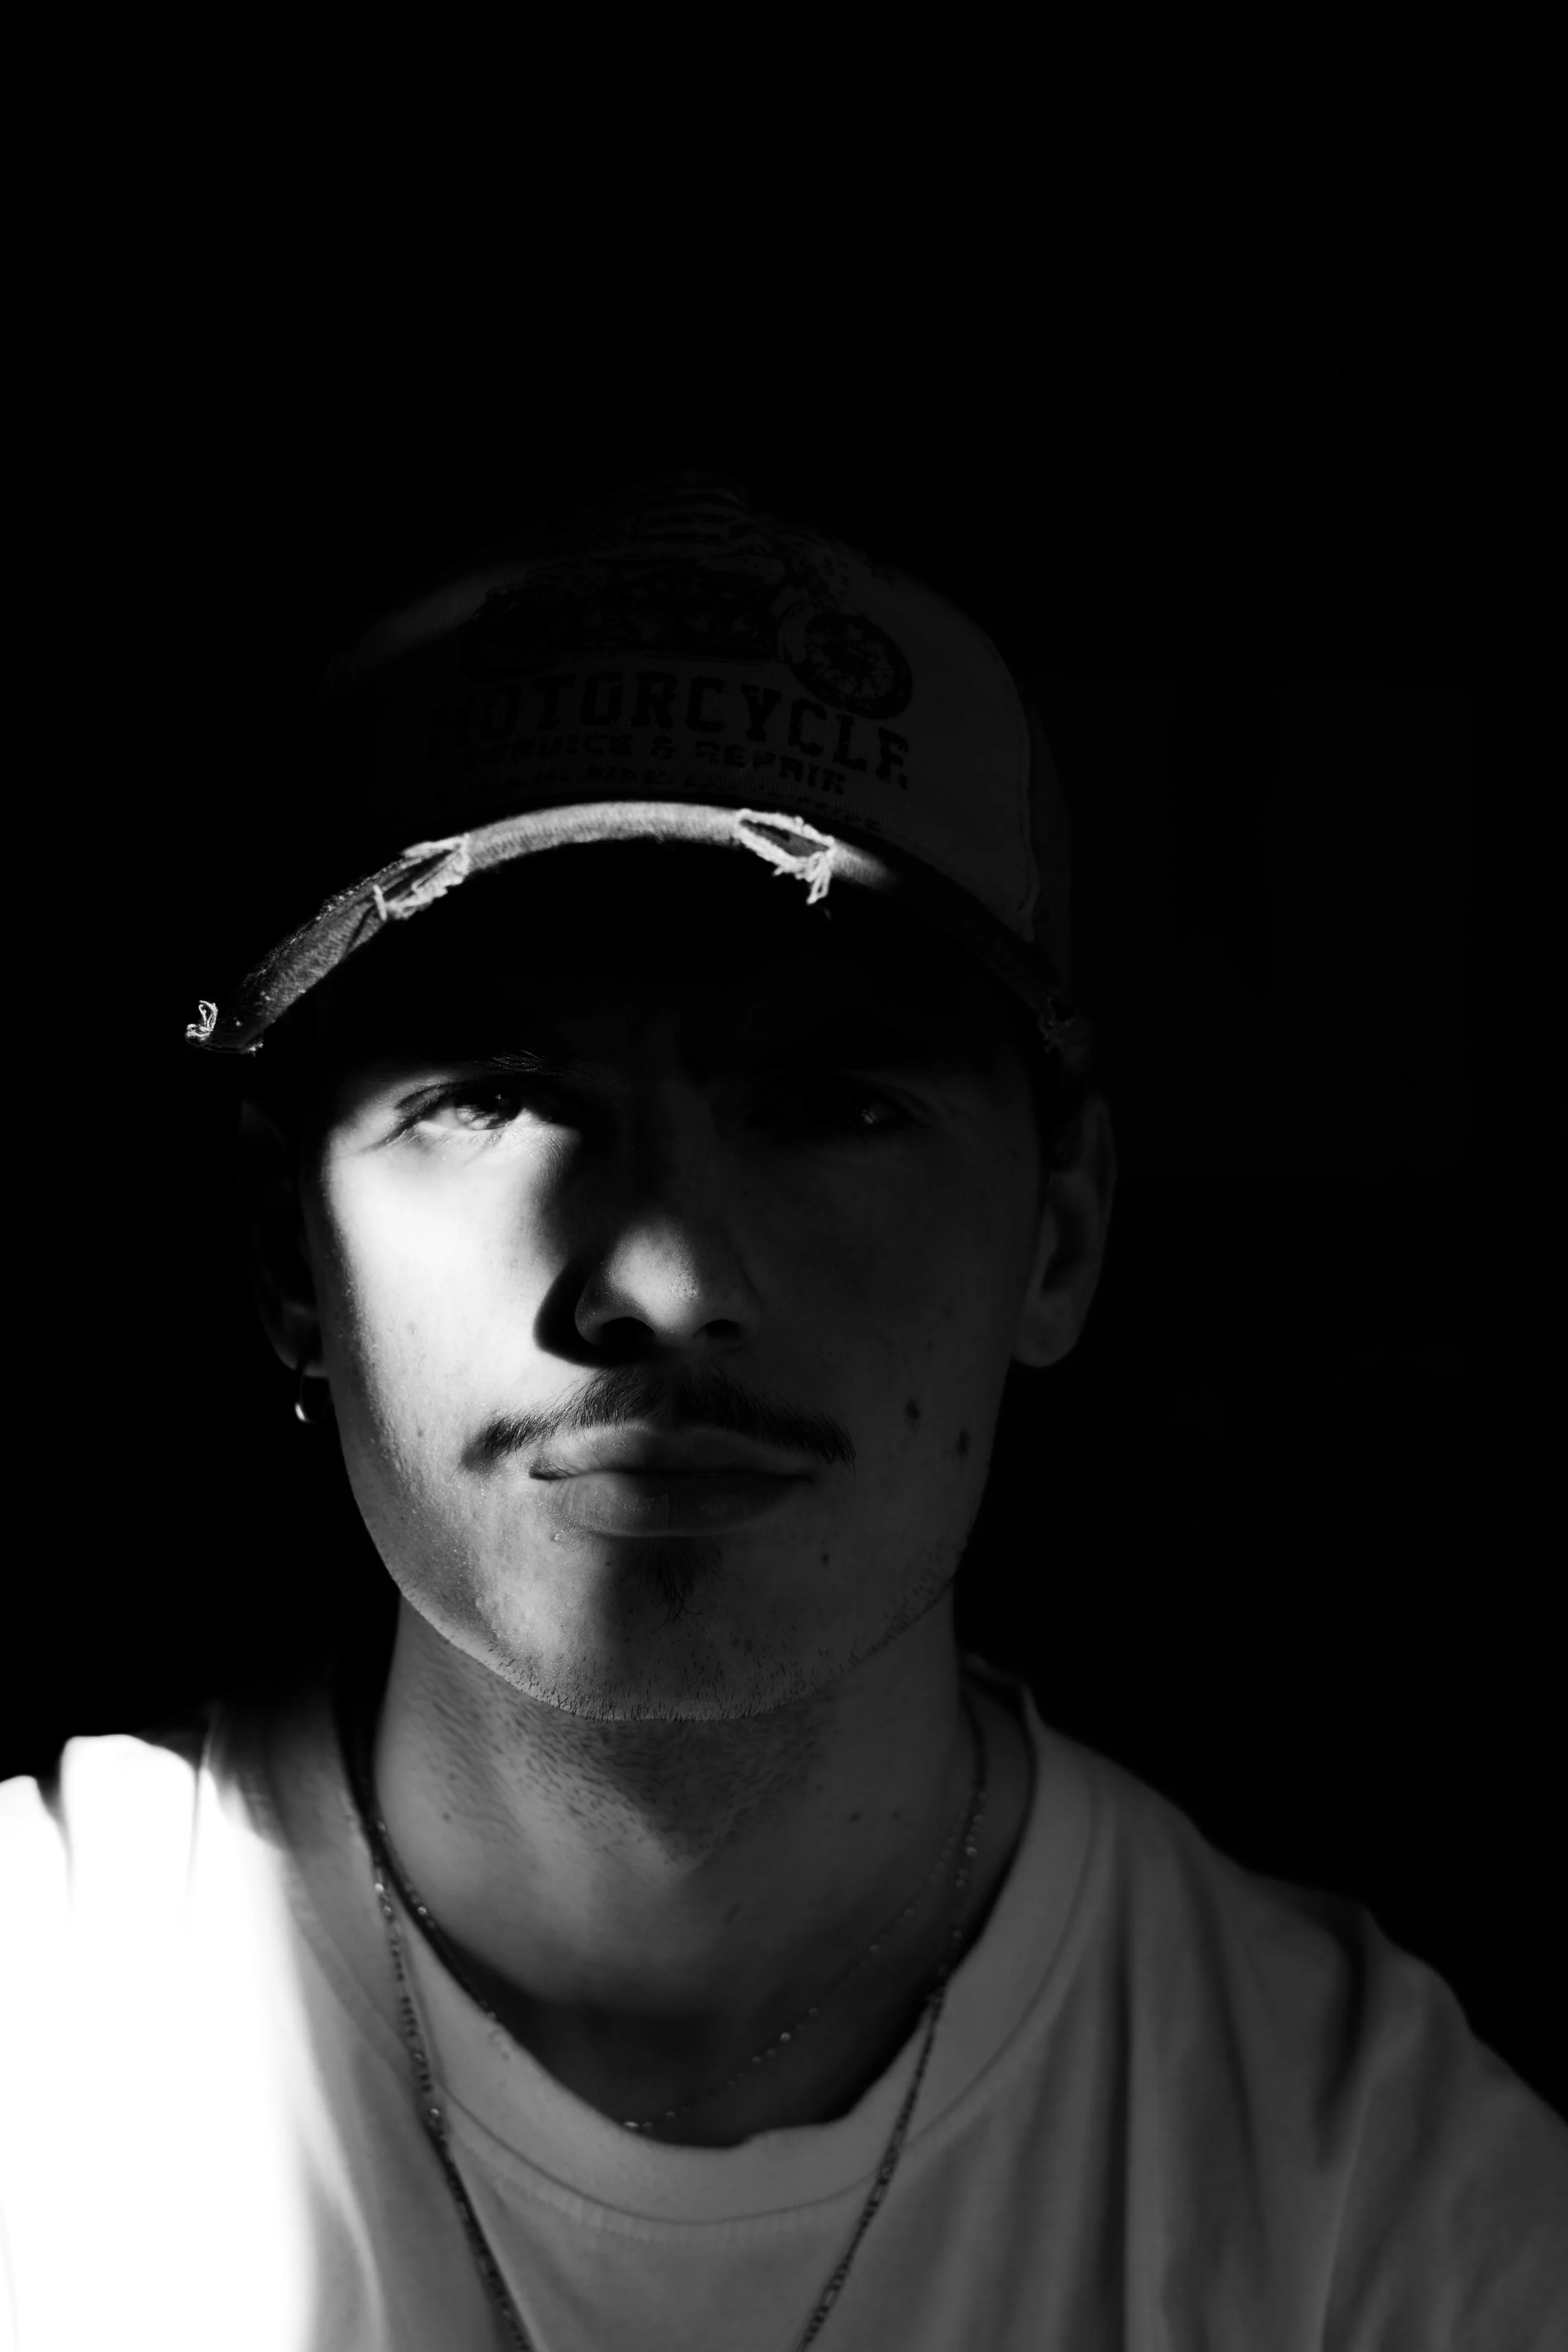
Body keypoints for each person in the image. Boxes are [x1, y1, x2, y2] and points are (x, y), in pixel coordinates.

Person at [1, 469, 1564, 2352]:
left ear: (1059, 1234)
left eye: (833, 1105)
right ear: (282, 1247)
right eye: (494, 1097)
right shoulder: (46, 2029)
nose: (660, 1277)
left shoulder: (1369, 2188)